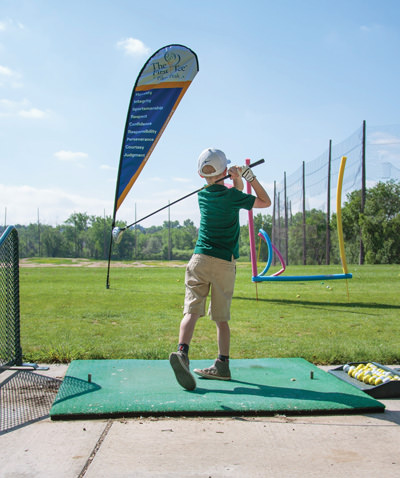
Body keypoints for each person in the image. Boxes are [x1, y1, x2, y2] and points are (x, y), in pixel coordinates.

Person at [169, 148, 271, 390]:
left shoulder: (203, 194)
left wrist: (235, 179)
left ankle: (182, 353)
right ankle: (222, 364)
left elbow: (230, 195)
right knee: (221, 319)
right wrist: (249, 177)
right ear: (224, 171)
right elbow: (265, 202)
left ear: (200, 175)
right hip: (224, 262)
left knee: (191, 311)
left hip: (200, 260)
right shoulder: (232, 196)